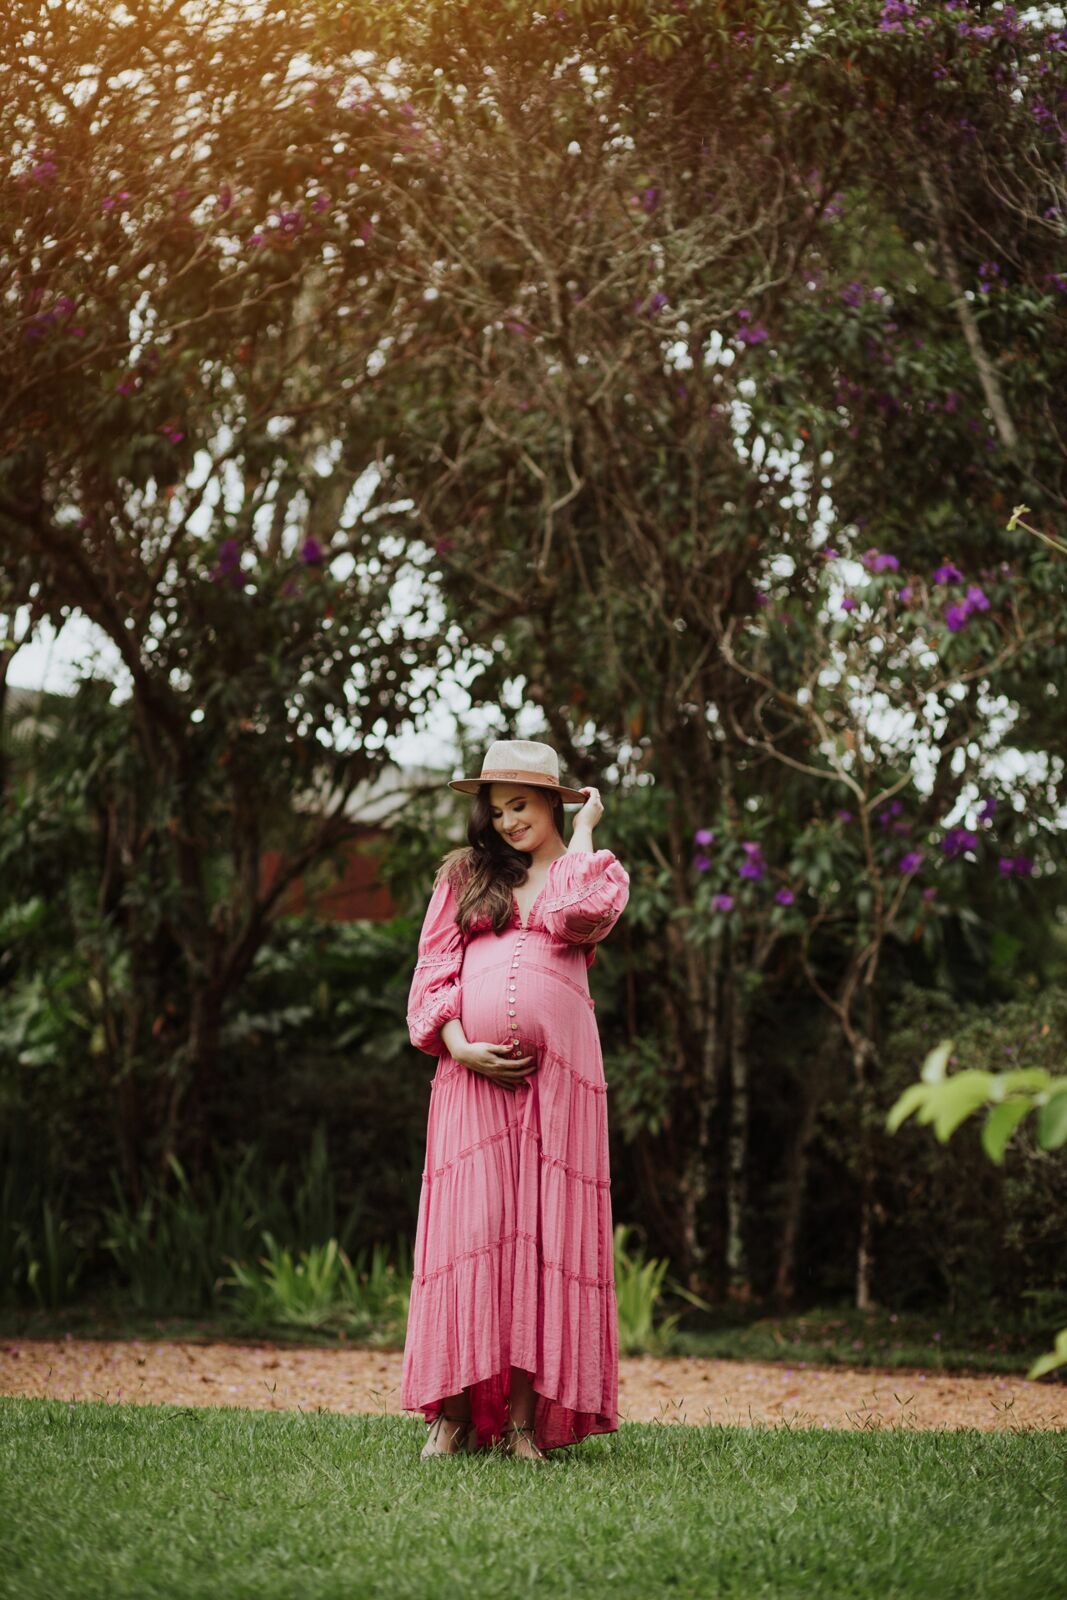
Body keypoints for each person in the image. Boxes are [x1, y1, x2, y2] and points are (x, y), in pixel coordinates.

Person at [400, 738, 630, 1462]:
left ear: (553, 803)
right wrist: (461, 1044)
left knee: (542, 1242)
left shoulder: (590, 873)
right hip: (470, 1080)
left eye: (521, 805)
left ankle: (524, 1426)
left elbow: (576, 917)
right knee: (469, 1237)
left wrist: (584, 833)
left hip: (557, 1090)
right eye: (497, 810)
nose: (507, 822)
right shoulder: (467, 876)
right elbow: (433, 968)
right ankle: (452, 1417)